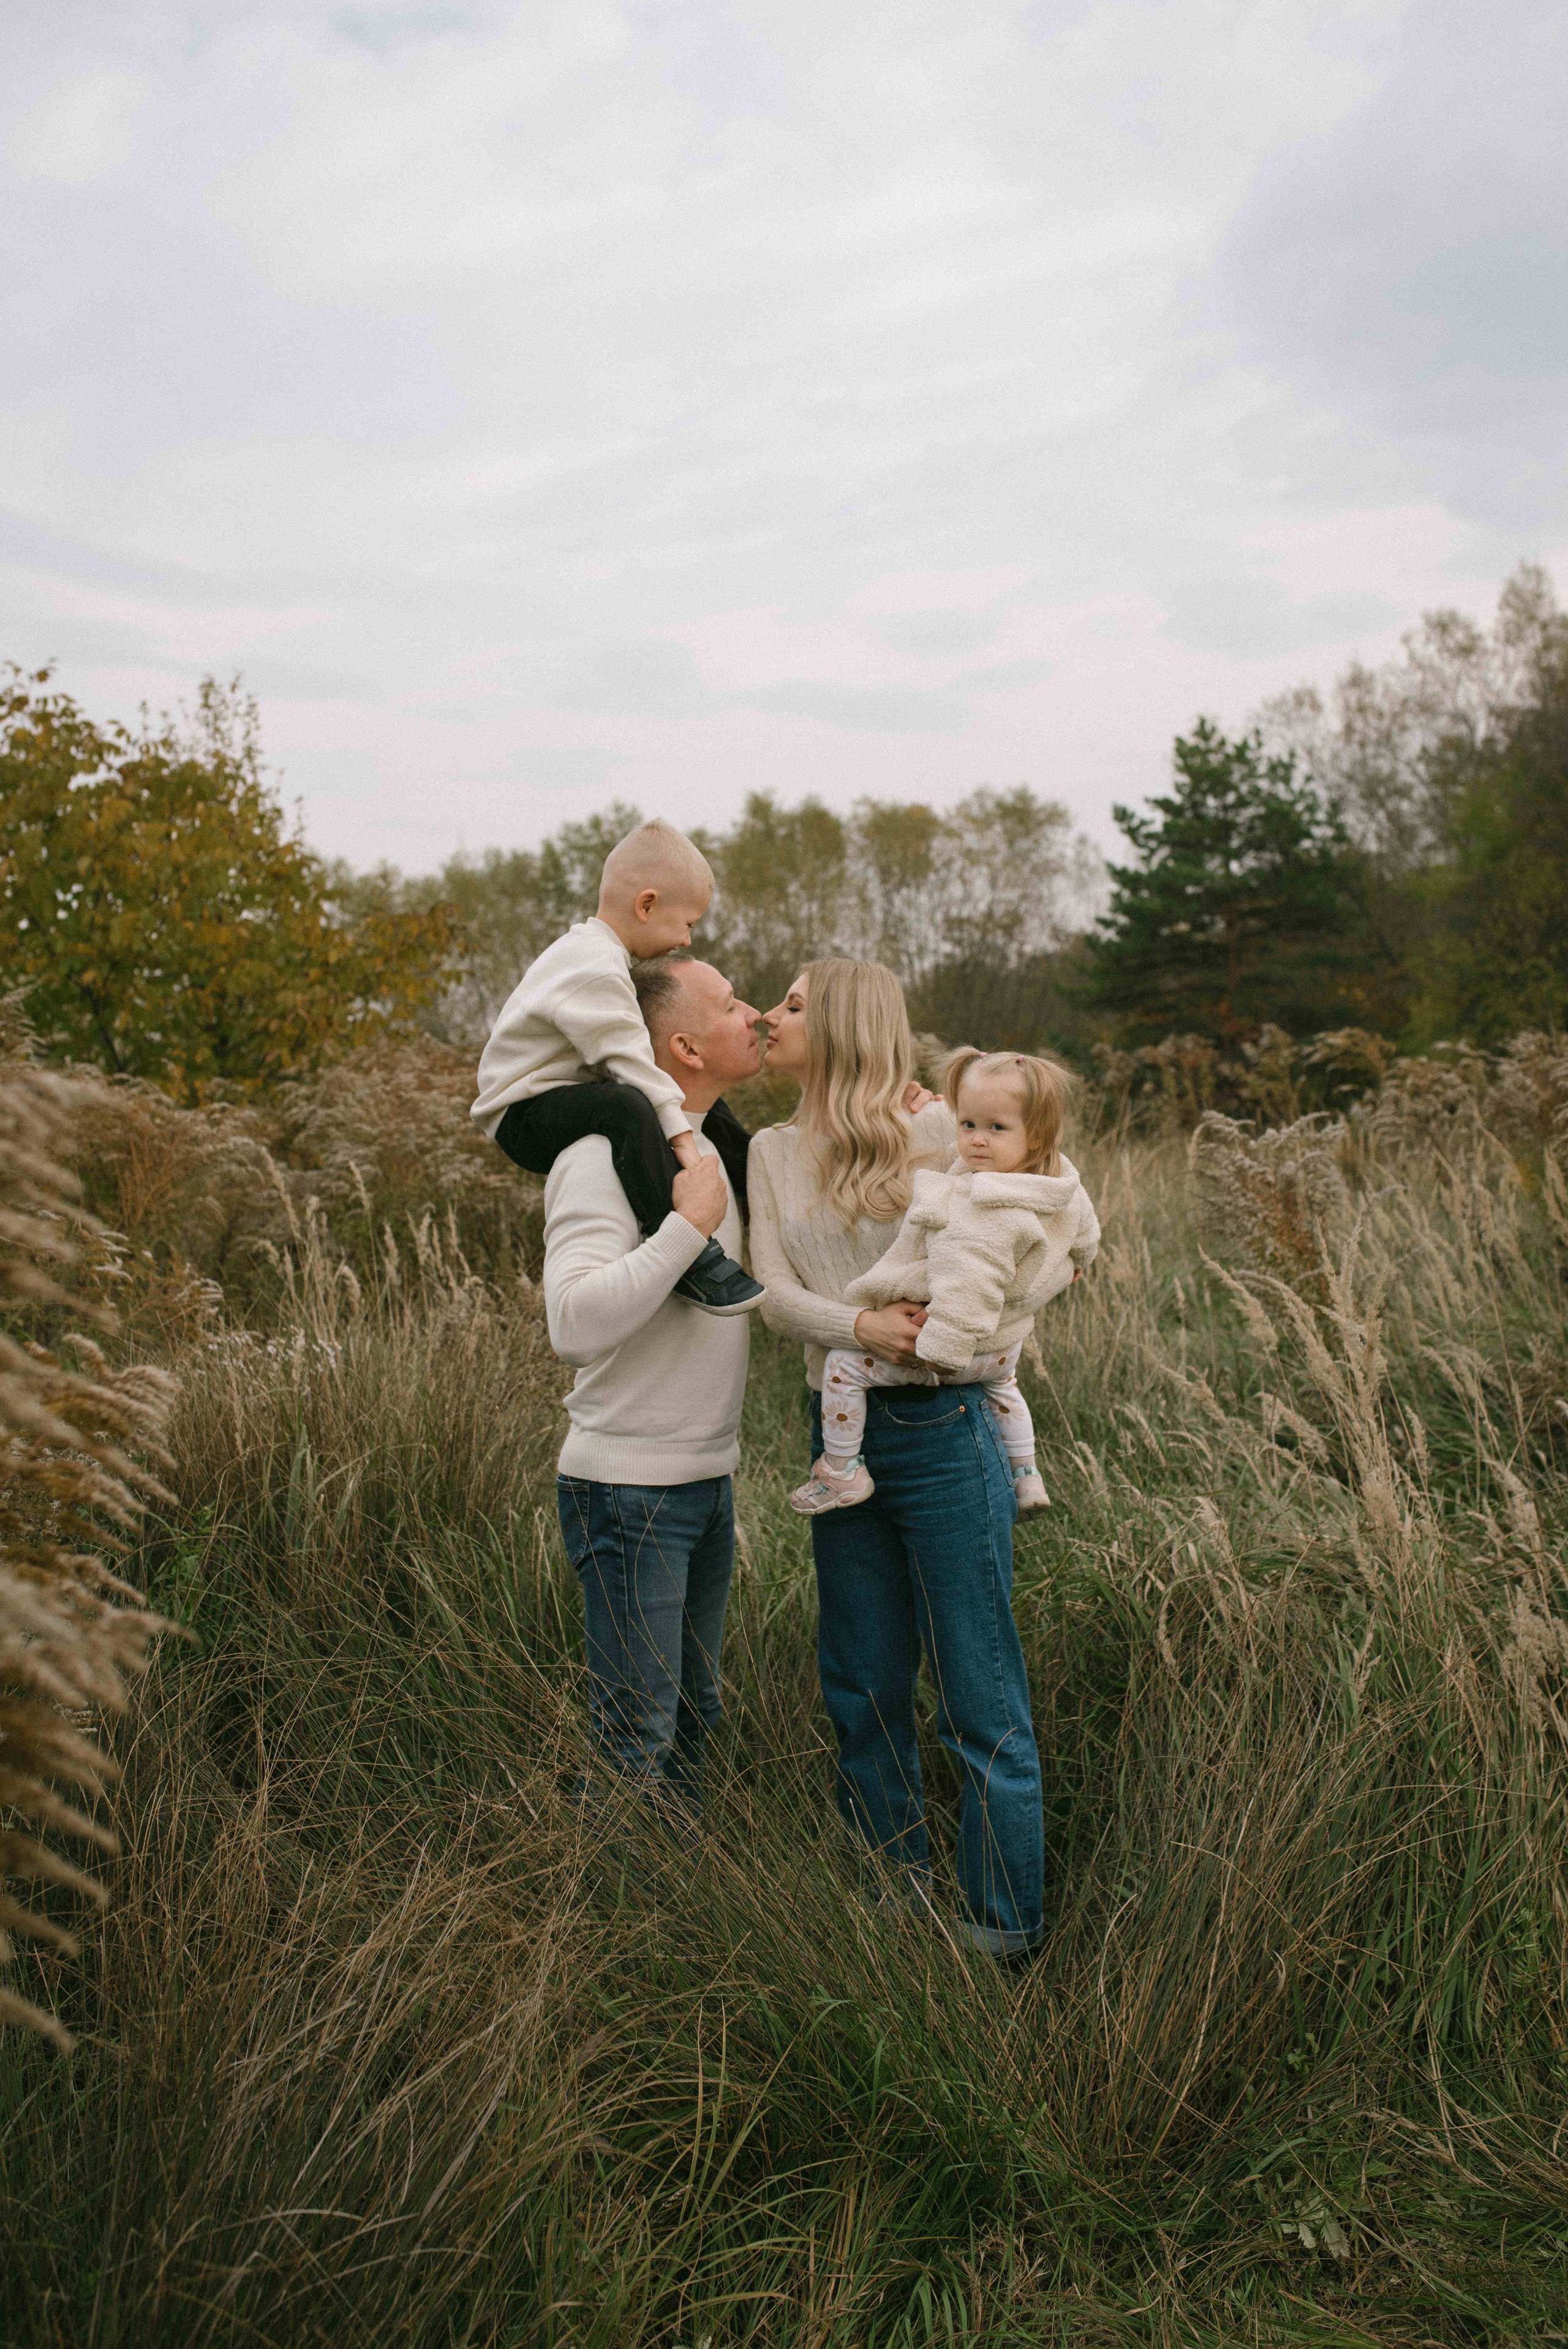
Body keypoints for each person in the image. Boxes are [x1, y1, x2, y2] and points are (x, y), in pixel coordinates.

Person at [748, 962, 1049, 1962]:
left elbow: (1031, 1235)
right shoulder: (770, 1150)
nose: (770, 1016)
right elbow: (772, 1294)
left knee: (980, 1689)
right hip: (836, 1431)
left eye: (793, 1004)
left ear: (841, 1023)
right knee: (861, 1679)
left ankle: (1001, 1928)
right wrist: (863, 1323)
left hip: (941, 1429)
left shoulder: (939, 1133)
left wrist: (978, 1335)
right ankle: (890, 1904)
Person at [545, 955, 763, 1814]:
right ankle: (606, 1929)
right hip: (629, 1489)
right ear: (684, 1044)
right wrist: (687, 1230)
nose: (752, 1012)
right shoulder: (599, 1157)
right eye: (731, 1003)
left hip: (706, 1482)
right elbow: (572, 1322)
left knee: (695, 1715)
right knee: (637, 1734)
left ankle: (676, 1908)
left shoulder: (712, 1147)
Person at [471, 818, 761, 1316]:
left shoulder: (599, 956)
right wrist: (689, 1159)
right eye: (688, 923)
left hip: (559, 1092)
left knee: (706, 1109)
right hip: (520, 1114)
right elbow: (639, 1071)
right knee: (627, 1105)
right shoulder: (594, 967)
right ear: (646, 905)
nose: (688, 940)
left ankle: (757, 1186)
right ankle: (689, 1254)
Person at [793, 1047, 1099, 1519]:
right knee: (1005, 1387)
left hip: (957, 1349)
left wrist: (940, 1348)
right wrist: (1080, 1257)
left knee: (842, 1367)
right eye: (968, 1124)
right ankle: (1026, 1474)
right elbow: (1084, 1225)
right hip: (1003, 1350)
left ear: (1036, 1137)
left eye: (997, 1128)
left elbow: (968, 1283)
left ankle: (841, 1469)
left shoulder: (983, 1208)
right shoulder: (1058, 1180)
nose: (977, 1140)